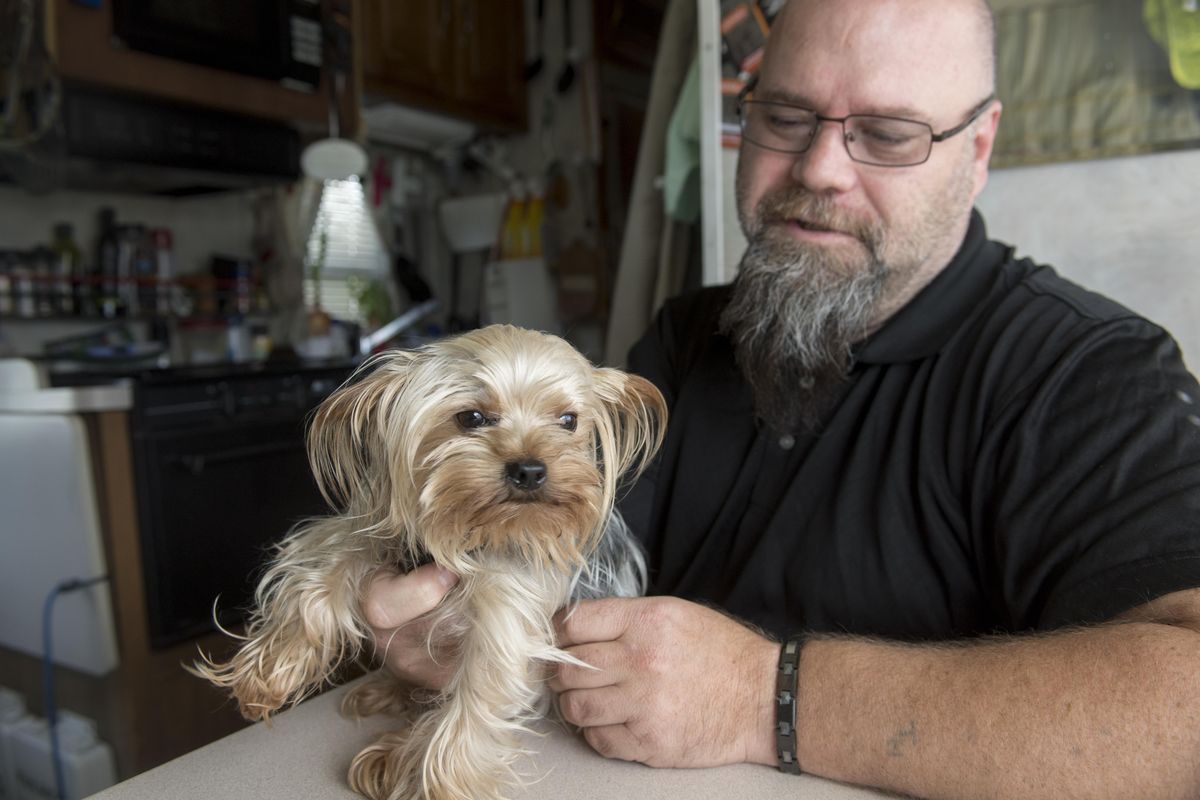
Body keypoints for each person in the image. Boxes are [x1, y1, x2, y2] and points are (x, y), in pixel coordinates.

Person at [361, 0, 1200, 797]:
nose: (819, 169)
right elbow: (564, 581)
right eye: (786, 117)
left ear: (978, 149)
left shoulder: (1091, 374)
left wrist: (764, 699)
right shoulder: (687, 339)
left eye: (888, 133)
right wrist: (452, 614)